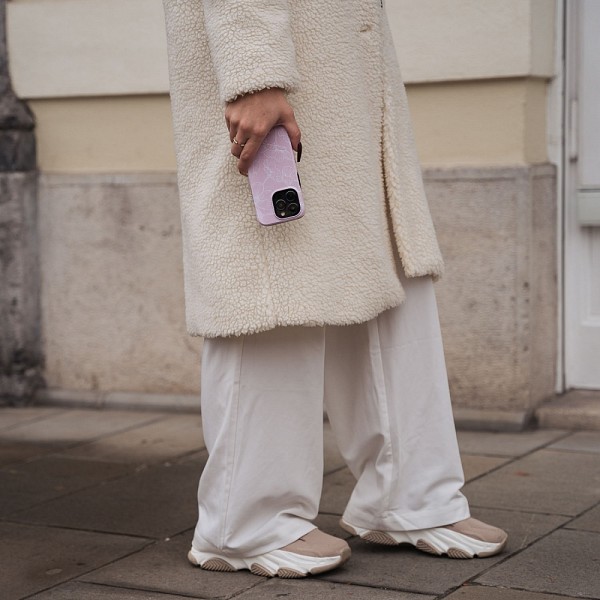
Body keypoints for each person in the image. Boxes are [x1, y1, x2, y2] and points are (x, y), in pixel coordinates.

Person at [162, 0, 508, 578]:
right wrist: (255, 74)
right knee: (272, 287)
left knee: (384, 272)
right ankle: (246, 521)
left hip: (342, 66)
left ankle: (413, 496)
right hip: (276, 74)